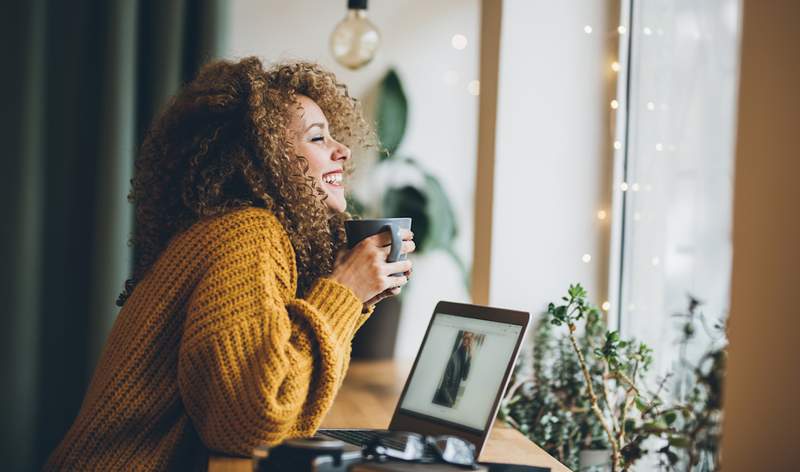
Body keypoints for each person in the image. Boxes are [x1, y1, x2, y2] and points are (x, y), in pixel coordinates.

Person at [44, 57, 415, 471]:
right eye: (317, 138)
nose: (342, 150)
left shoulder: (242, 230)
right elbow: (252, 423)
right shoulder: (246, 234)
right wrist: (344, 291)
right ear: (265, 156)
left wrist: (356, 298)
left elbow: (278, 393)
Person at [432, 332, 474, 408]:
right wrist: (450, 401)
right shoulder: (454, 357)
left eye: (470, 340)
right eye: (466, 338)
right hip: (444, 400)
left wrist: (470, 357)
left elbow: (464, 377)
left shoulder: (463, 357)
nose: (468, 342)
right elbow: (444, 386)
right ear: (462, 339)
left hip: (450, 399)